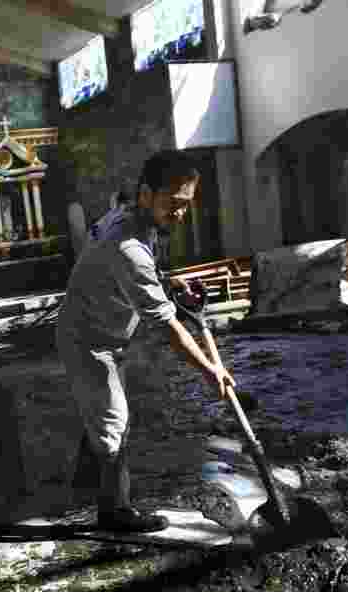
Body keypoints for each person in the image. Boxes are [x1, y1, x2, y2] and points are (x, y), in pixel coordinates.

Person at [55, 150, 236, 533]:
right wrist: (210, 369)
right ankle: (115, 512)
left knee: (107, 415)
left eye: (186, 205)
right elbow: (166, 326)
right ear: (145, 193)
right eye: (173, 204)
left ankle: (83, 485)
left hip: (105, 332)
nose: (181, 214)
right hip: (88, 341)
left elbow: (134, 270)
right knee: (113, 422)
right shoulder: (127, 245)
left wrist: (167, 281)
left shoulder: (131, 219)